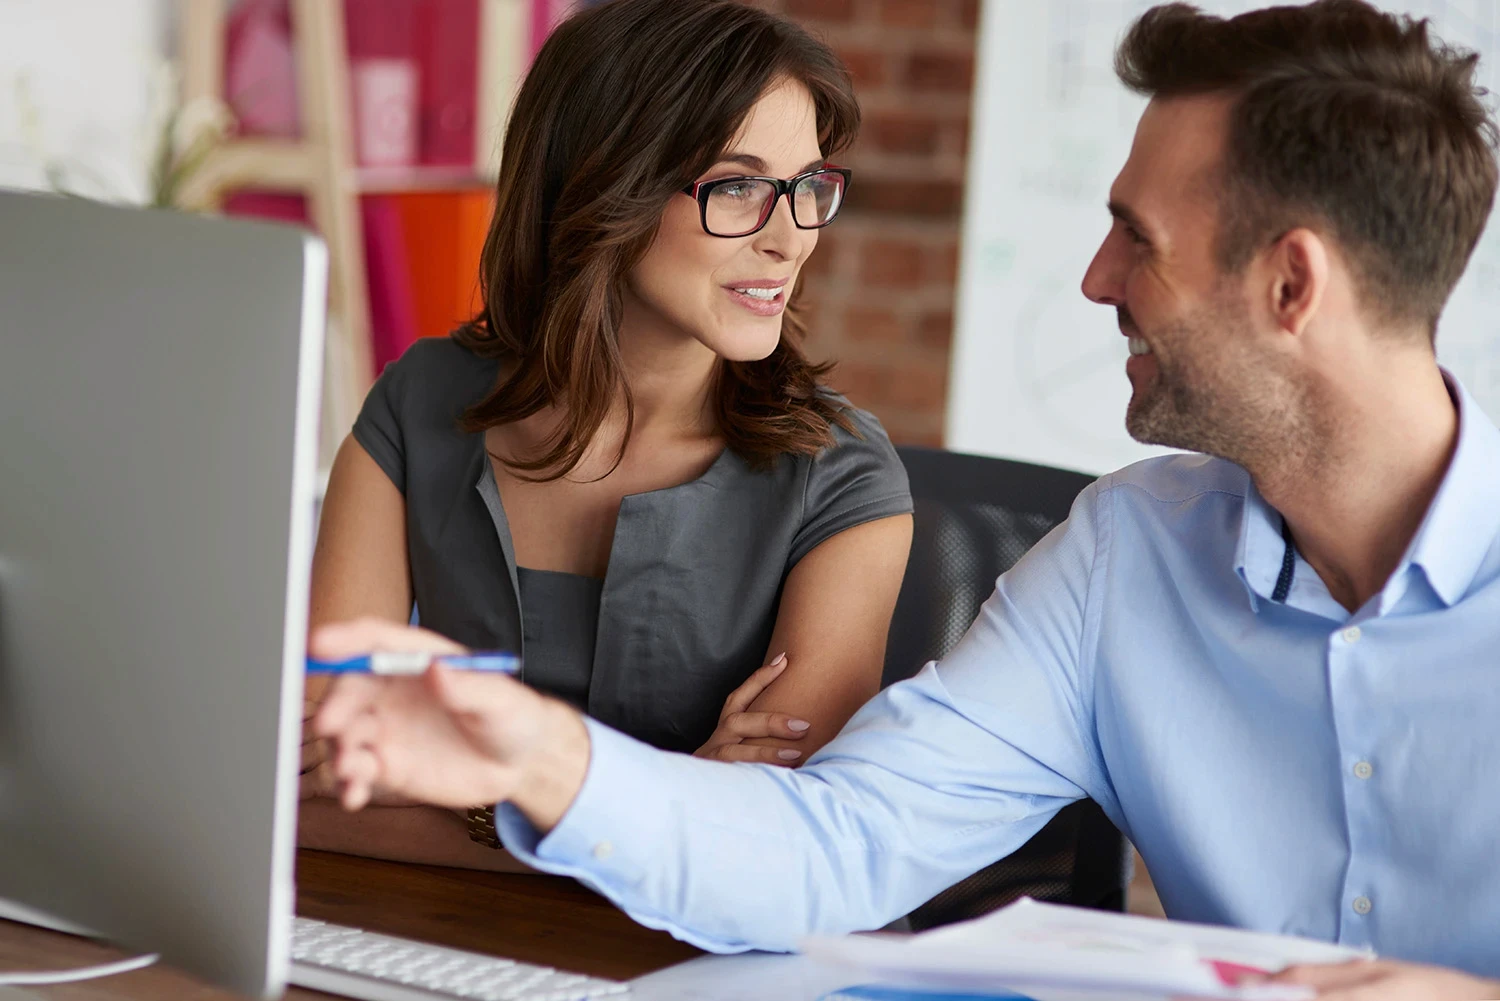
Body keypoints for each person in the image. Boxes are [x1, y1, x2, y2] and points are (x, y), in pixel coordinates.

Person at [313, 0, 1500, 994]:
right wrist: (539, 755)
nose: (1096, 281)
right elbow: (838, 842)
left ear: (1292, 283)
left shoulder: (842, 472)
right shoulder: (1125, 560)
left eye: (1138, 239)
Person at [298, 0, 913, 872]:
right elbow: (320, 797)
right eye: (737, 185)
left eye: (808, 186)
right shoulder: (418, 404)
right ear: (601, 186)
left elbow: (775, 846)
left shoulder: (845, 478)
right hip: (419, 938)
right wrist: (666, 801)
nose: (790, 238)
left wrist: (462, 793)